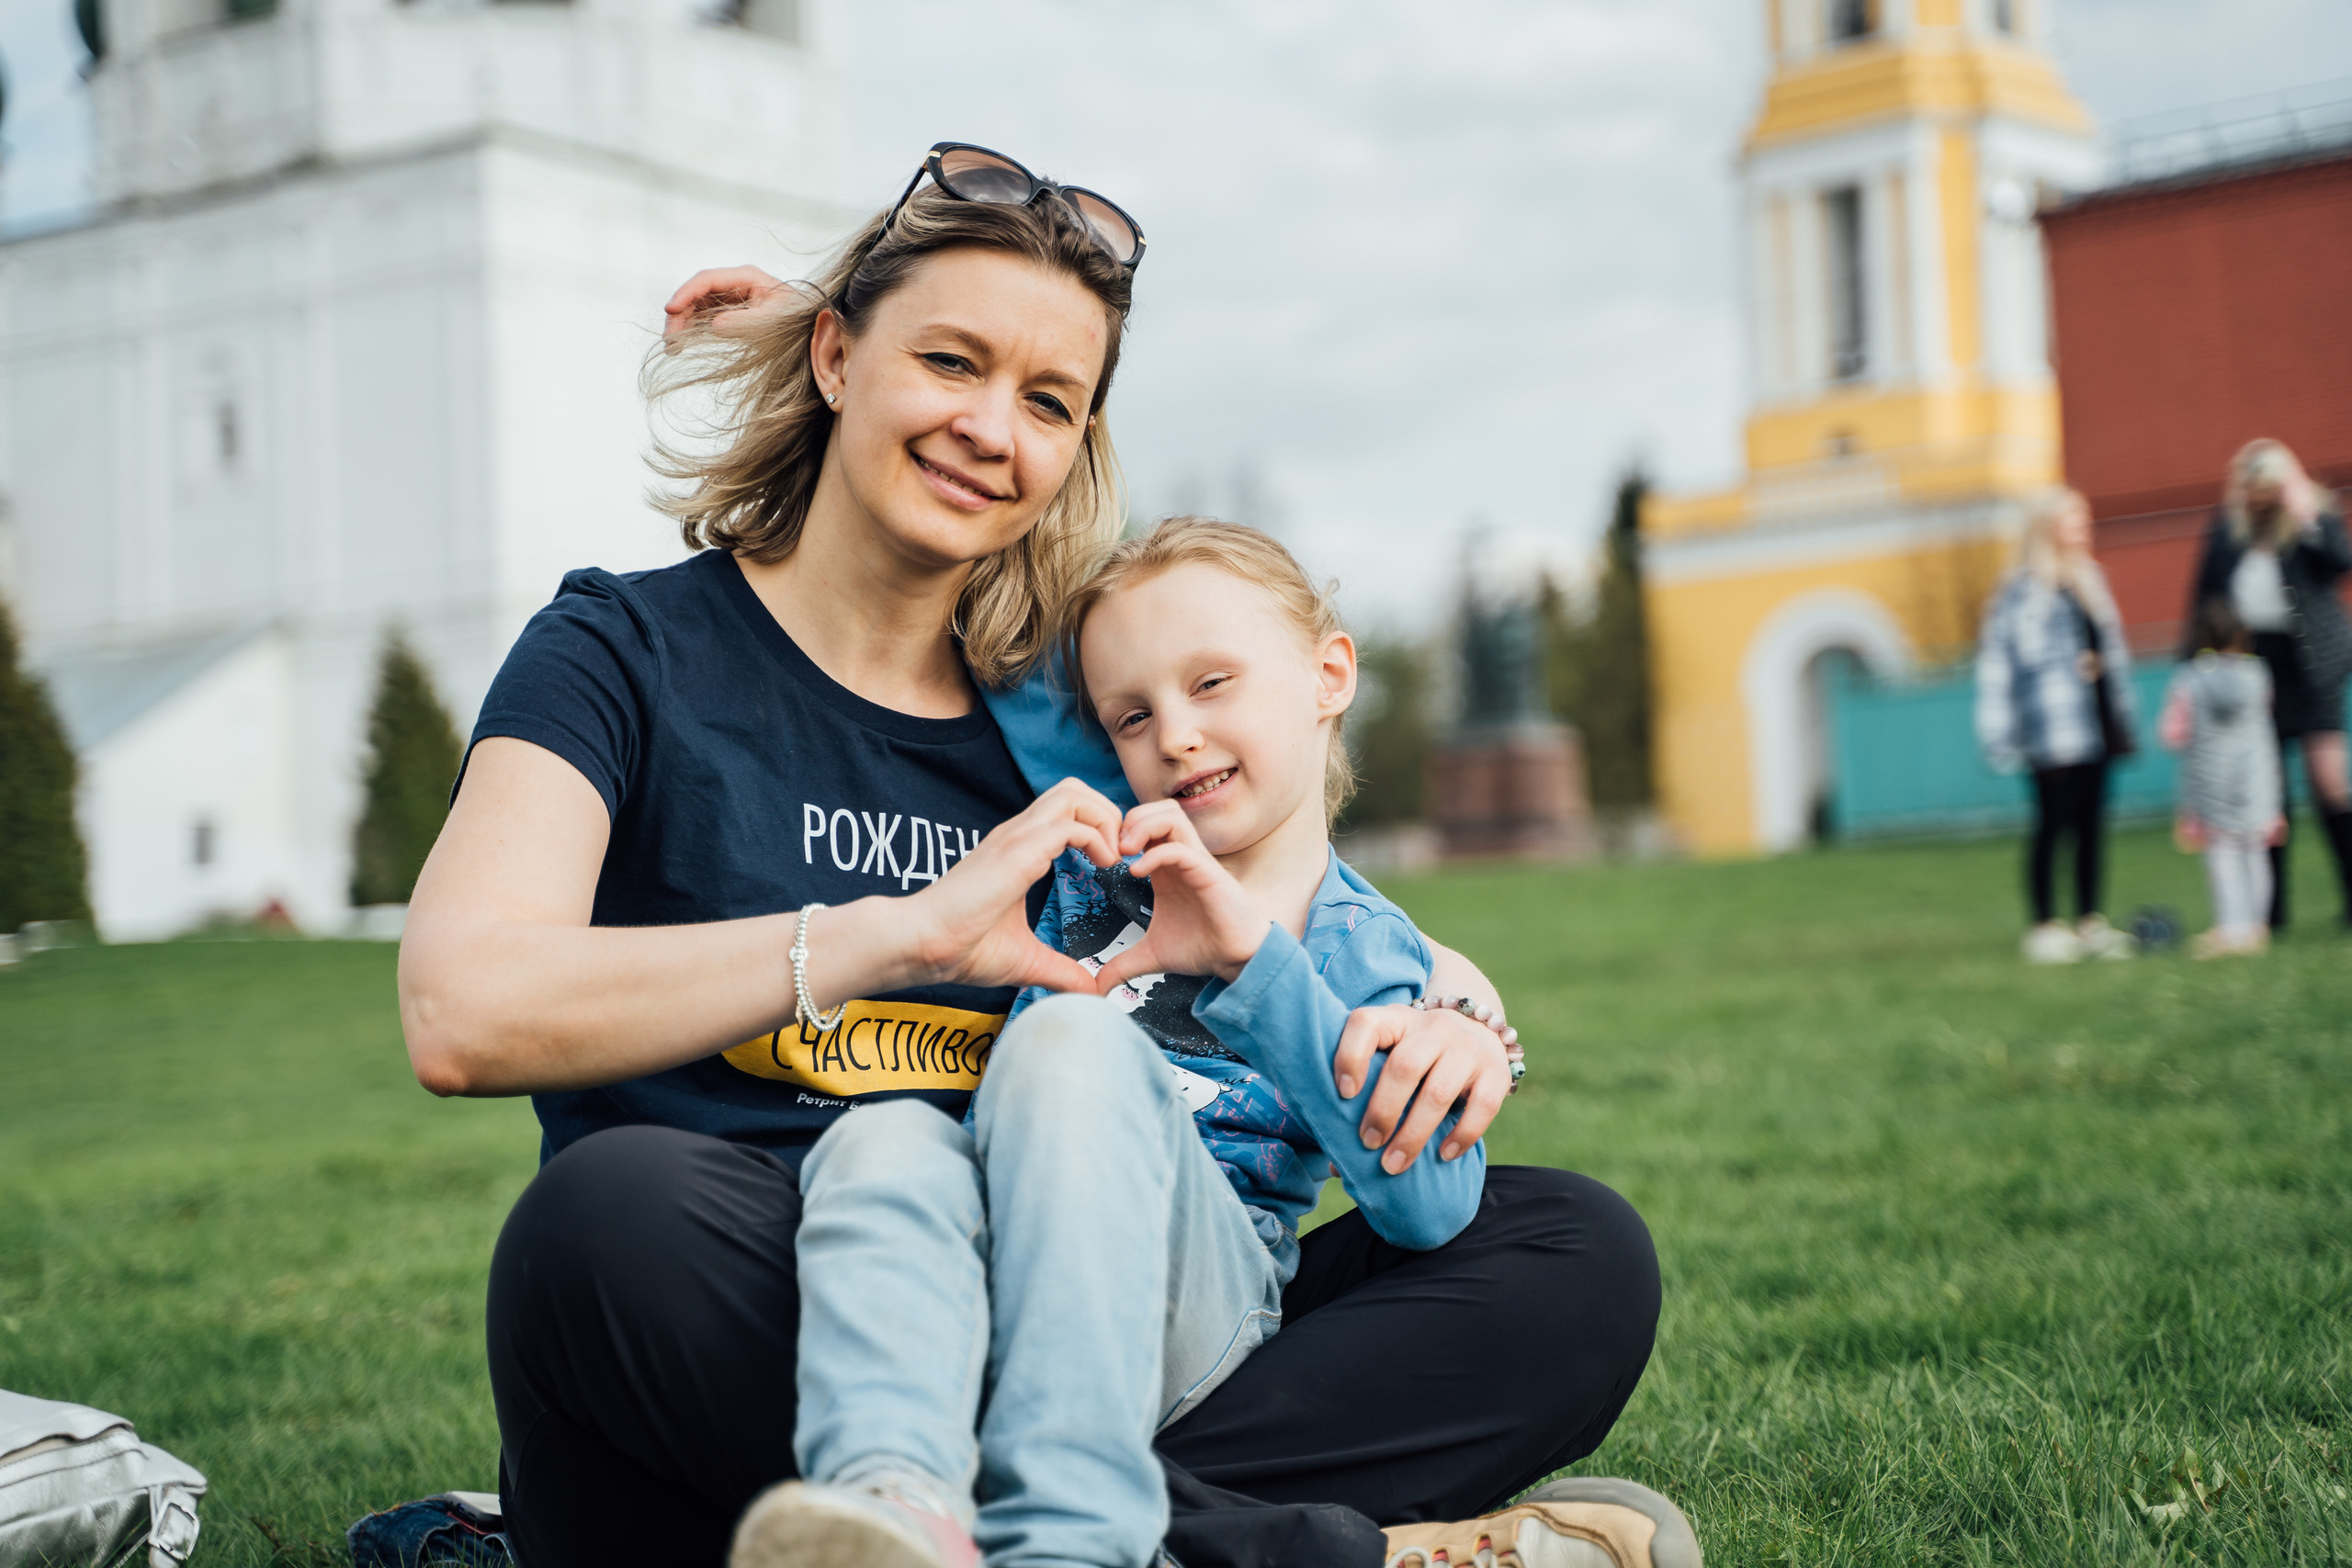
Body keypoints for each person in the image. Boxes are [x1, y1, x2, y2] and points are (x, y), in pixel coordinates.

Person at [398, 143, 1675, 1568]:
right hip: (754, 1306)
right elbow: (463, 1006)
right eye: (947, 360)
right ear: (836, 353)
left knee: (1575, 1251)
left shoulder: (1074, 719)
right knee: (605, 1218)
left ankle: (992, 1534)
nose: (991, 429)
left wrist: (1451, 1002)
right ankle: (1322, 1552)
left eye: (1048, 399)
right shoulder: (619, 655)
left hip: (1092, 1305)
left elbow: (1255, 814)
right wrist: (895, 935)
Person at [2180, 439, 2352, 931]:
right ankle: (2269, 912)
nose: (2261, 495)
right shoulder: (2225, 530)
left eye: (2271, 485)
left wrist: (2304, 515)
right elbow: (2205, 599)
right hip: (2254, 669)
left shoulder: (2315, 518)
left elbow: (2339, 564)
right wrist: (2193, 666)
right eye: (2253, 485)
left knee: (2330, 782)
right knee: (2264, 792)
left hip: (2312, 663)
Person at [1974, 486, 2139, 964]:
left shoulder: (2091, 581)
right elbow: (2000, 667)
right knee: (2053, 824)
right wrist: (2001, 733)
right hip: (2049, 728)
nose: (2084, 528)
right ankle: (2044, 925)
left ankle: (2089, 920)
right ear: (2048, 527)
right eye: (2075, 520)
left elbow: (2112, 651)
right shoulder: (2020, 592)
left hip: (2095, 723)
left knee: (2092, 824)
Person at [2160, 599, 2283, 959]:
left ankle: (2231, 928)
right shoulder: (2259, 675)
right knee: (2256, 853)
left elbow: (2172, 735)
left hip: (2210, 784)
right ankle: (2257, 927)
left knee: (2223, 856)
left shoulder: (2189, 680)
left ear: (2203, 636)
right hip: (2256, 780)